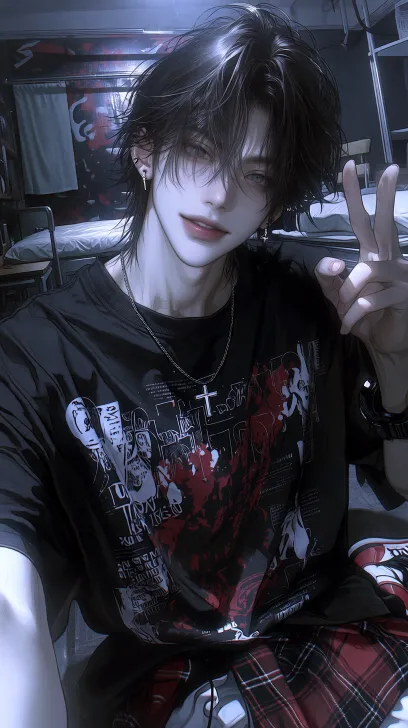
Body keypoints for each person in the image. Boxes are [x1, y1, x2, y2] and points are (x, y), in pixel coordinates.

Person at [1, 4, 408, 728]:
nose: (219, 194)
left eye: (255, 175)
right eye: (198, 150)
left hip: (325, 625)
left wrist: (397, 356)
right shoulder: (38, 356)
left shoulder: (308, 298)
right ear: (146, 147)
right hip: (172, 671)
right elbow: (13, 607)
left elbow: (402, 482)